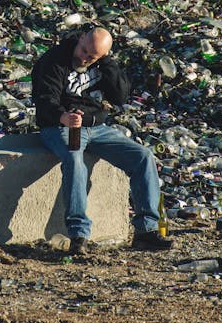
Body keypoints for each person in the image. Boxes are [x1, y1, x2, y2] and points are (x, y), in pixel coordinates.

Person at [31, 25, 172, 255]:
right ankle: (78, 234)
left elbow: (120, 96)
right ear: (82, 38)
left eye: (93, 56)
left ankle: (147, 230)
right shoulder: (55, 59)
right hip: (59, 126)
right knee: (75, 161)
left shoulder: (101, 62)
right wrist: (62, 116)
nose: (85, 58)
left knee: (142, 157)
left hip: (96, 127)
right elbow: (44, 100)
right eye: (84, 51)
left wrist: (106, 64)